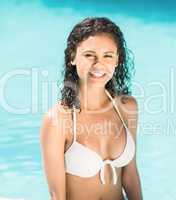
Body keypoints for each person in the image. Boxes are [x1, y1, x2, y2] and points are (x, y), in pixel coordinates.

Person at [40, 17, 143, 200]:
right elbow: (57, 196)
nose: (98, 65)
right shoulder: (58, 120)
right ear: (72, 56)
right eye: (89, 55)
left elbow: (130, 174)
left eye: (108, 56)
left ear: (118, 59)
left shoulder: (127, 107)